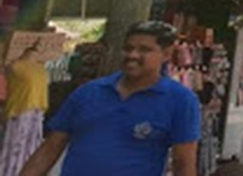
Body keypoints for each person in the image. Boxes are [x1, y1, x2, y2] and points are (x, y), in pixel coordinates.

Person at [18, 22, 200, 176]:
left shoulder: (180, 101)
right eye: (128, 48)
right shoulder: (88, 93)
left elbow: (183, 164)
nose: (132, 55)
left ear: (167, 54)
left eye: (144, 50)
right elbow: (50, 147)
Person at [1, 40, 49, 176]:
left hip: (37, 112)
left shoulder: (41, 68)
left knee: (32, 145)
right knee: (16, 144)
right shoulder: (16, 66)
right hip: (20, 110)